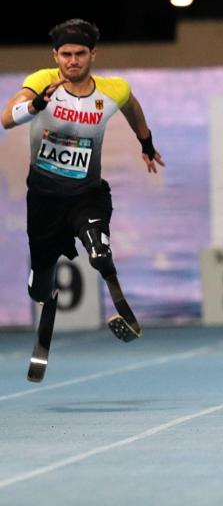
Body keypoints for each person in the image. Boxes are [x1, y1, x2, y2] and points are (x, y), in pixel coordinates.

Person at [1, 19, 164, 381]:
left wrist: (146, 143)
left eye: (79, 54)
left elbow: (132, 108)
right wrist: (33, 106)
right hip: (43, 199)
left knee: (100, 252)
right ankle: (48, 290)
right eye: (65, 54)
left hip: (86, 194)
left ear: (93, 54)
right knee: (40, 287)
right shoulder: (43, 81)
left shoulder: (113, 90)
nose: (72, 61)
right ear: (55, 55)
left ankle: (125, 310)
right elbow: (5, 119)